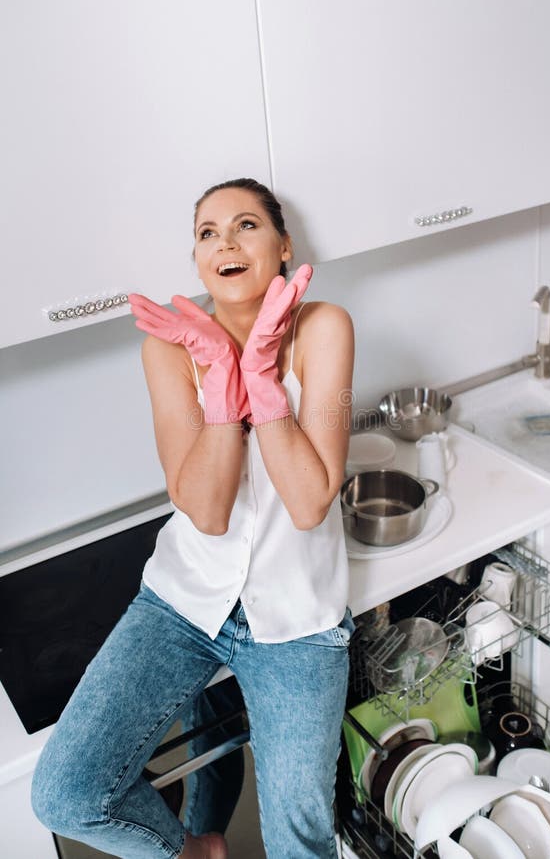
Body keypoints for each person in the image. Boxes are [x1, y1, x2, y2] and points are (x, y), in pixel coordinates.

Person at [31, 178, 355, 859]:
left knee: (302, 840)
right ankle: (194, 853)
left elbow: (307, 503)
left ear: (283, 244)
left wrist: (263, 382)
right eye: (208, 233)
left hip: (297, 623)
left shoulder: (323, 328)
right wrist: (220, 381)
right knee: (66, 794)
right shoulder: (171, 350)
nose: (225, 243)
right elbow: (206, 513)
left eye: (245, 225)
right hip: (182, 602)